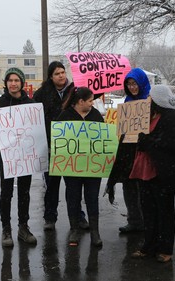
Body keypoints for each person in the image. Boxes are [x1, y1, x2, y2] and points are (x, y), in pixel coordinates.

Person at [129, 85, 175, 263]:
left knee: (165, 212)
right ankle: (149, 246)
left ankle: (165, 249)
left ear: (157, 101)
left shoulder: (173, 118)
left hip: (164, 173)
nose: (147, 101)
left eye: (150, 98)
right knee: (148, 211)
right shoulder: (148, 116)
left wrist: (149, 142)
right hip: (146, 172)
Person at [33, 61, 88, 231]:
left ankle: (78, 216)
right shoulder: (41, 94)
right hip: (50, 147)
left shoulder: (75, 91)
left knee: (73, 185)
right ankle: (50, 217)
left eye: (63, 72)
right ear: (50, 76)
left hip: (71, 146)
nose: (61, 76)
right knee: (51, 185)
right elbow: (33, 117)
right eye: (57, 73)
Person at [0, 67, 37, 247]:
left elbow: (36, 131)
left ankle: (23, 227)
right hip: (7, 157)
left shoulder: (30, 104)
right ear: (6, 83)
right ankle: (6, 229)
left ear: (22, 83)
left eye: (17, 80)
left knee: (24, 192)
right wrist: (2, 154)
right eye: (10, 80)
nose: (13, 83)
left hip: (26, 156)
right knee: (6, 193)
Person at [56, 86, 104, 247]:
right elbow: (58, 140)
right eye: (90, 101)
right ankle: (74, 229)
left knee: (92, 198)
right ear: (80, 101)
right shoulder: (65, 116)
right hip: (72, 167)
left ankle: (95, 232)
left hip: (92, 167)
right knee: (73, 198)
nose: (92, 104)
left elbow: (103, 139)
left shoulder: (96, 115)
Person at [105, 67, 151, 233]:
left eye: (135, 83)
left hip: (144, 151)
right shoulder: (127, 102)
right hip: (128, 151)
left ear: (142, 83)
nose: (132, 87)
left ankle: (147, 221)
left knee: (144, 188)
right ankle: (134, 220)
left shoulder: (151, 101)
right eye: (129, 84)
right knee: (129, 186)